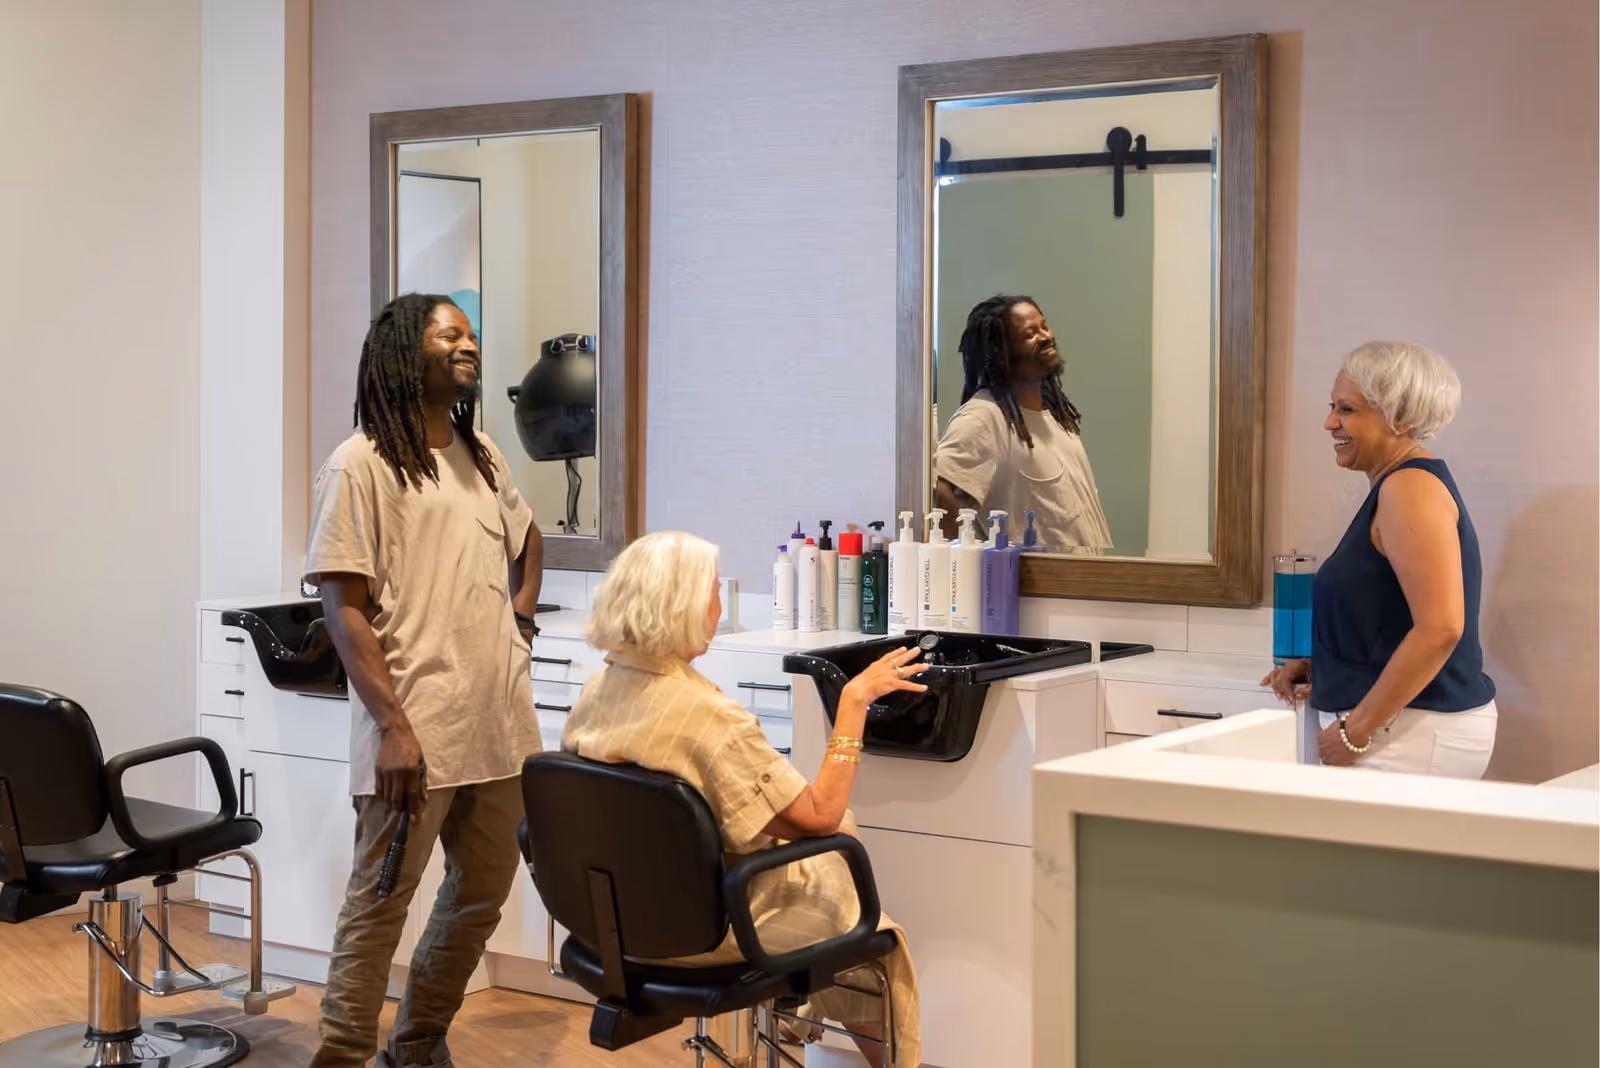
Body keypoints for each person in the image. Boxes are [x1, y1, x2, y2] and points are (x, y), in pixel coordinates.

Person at [562, 531, 924, 1067]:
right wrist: (854, 701)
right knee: (872, 935)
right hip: (707, 934)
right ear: (684, 606)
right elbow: (819, 814)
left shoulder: (598, 692)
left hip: (612, 926)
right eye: (712, 591)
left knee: (826, 878)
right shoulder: (708, 720)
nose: (720, 603)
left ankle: (792, 1034)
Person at [304, 292, 545, 1068]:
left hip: (499, 727)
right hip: (416, 729)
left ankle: (415, 1045)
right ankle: (341, 1055)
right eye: (451, 335)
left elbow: (527, 535)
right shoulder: (360, 464)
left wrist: (521, 619)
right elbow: (344, 611)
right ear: (409, 353)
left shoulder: (482, 454)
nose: (469, 345)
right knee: (379, 906)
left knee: (480, 898)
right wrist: (395, 728)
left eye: (472, 333)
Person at [1262, 341, 1497, 777]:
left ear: (1400, 418)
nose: (1329, 422)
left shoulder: (1409, 490)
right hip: (1405, 725)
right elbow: (1390, 620)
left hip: (1410, 731)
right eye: (1333, 406)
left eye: (1347, 410)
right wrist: (1322, 666)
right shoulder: (1399, 487)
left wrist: (1357, 729)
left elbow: (1441, 628)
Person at [934, 294, 1112, 553]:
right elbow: (942, 498)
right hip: (1032, 592)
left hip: (1081, 585)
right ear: (1002, 356)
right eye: (1031, 334)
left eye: (1044, 326)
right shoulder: (983, 418)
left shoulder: (1056, 415)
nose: (1046, 337)